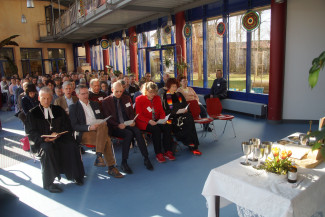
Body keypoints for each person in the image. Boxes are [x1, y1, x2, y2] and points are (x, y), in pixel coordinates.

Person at [25, 87, 85, 193]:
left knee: (72, 145)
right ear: (39, 98)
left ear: (52, 98)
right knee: (47, 149)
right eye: (43, 98)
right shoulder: (32, 113)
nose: (46, 101)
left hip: (60, 138)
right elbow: (31, 132)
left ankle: (75, 175)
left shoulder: (58, 110)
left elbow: (67, 126)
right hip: (42, 142)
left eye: (48, 98)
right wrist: (44, 138)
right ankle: (49, 183)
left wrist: (58, 134)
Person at [69, 85, 123, 178]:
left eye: (87, 93)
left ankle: (99, 156)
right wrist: (90, 127)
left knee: (103, 124)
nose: (86, 95)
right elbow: (74, 126)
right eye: (83, 94)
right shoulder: (74, 107)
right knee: (107, 139)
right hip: (85, 132)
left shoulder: (95, 104)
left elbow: (101, 118)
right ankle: (111, 167)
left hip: (99, 130)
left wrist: (101, 123)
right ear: (77, 95)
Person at [102, 81, 153, 173]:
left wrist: (132, 120)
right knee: (128, 134)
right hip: (115, 127)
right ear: (112, 90)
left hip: (127, 123)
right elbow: (107, 118)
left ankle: (146, 158)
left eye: (121, 91)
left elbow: (130, 112)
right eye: (117, 91)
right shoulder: (106, 101)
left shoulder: (126, 98)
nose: (119, 94)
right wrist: (117, 125)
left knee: (137, 131)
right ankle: (124, 162)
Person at [135, 82, 175, 163]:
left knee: (167, 126)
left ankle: (168, 151)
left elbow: (161, 111)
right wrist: (149, 121)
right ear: (146, 91)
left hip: (156, 120)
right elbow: (138, 115)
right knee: (156, 130)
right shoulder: (139, 99)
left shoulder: (157, 98)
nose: (153, 94)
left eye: (154, 92)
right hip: (144, 121)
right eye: (151, 92)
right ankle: (159, 153)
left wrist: (163, 119)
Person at [162, 78, 202, 155]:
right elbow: (166, 110)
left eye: (175, 86)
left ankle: (194, 145)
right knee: (186, 120)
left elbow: (185, 105)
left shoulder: (179, 94)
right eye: (172, 86)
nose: (174, 88)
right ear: (168, 86)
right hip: (172, 117)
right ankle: (189, 143)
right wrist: (176, 112)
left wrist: (185, 109)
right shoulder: (166, 96)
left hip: (182, 115)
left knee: (189, 117)